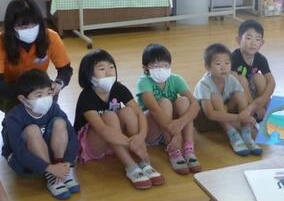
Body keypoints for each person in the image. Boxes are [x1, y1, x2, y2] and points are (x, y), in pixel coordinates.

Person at [74, 49, 164, 189]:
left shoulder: (118, 88)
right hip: (93, 145)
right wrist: (131, 144)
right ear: (88, 74)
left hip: (117, 141)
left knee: (128, 111)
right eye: (102, 69)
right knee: (109, 115)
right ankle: (130, 166)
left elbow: (139, 114)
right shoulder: (86, 97)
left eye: (111, 67)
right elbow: (102, 130)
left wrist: (140, 137)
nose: (109, 72)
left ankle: (143, 161)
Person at [2, 69, 79, 200]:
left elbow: (71, 134)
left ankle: (62, 168)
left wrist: (68, 162)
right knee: (32, 130)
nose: (46, 99)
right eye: (39, 95)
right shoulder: (13, 117)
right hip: (23, 161)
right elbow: (20, 152)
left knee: (60, 123)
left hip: (49, 153)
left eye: (48, 93)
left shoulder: (53, 108)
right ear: (23, 99)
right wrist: (49, 168)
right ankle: (51, 176)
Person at [0, 0, 72, 112]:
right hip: (9, 90)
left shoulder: (51, 37)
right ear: (11, 26)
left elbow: (65, 69)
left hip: (38, 87)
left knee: (48, 110)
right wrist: (27, 94)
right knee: (19, 114)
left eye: (34, 24)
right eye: (23, 26)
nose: (30, 29)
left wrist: (59, 83)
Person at [136, 43, 201, 174]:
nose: (161, 69)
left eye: (165, 65)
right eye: (155, 66)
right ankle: (173, 150)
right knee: (164, 103)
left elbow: (195, 104)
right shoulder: (143, 82)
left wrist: (180, 123)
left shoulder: (176, 79)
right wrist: (177, 135)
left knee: (183, 101)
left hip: (174, 127)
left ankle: (189, 148)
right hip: (153, 130)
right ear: (145, 68)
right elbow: (155, 110)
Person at [193, 43, 261, 156]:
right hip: (205, 121)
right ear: (207, 67)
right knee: (216, 97)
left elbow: (243, 100)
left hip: (224, 116)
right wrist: (238, 117)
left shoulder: (231, 79)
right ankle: (232, 134)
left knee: (239, 95)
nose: (223, 67)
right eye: (218, 64)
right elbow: (210, 114)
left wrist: (247, 116)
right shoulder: (204, 84)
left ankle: (246, 133)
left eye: (227, 63)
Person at [231, 20, 276, 121]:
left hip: (252, 94)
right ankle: (251, 115)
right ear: (238, 40)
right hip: (237, 94)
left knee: (259, 78)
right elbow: (234, 83)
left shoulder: (260, 58)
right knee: (241, 79)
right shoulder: (234, 57)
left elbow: (271, 82)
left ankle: (269, 112)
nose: (253, 42)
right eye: (248, 38)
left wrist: (262, 100)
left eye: (257, 39)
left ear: (262, 43)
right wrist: (254, 105)